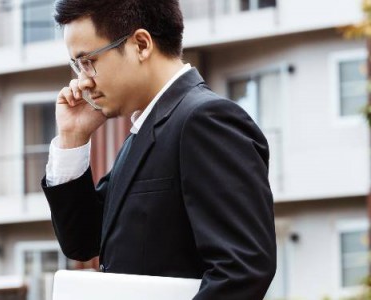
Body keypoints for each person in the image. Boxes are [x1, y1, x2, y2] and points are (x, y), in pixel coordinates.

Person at [41, 0, 277, 299]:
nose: (83, 81)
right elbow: (84, 242)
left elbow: (242, 270)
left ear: (141, 44)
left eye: (88, 61)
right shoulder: (145, 131)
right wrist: (72, 137)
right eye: (77, 66)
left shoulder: (205, 120)